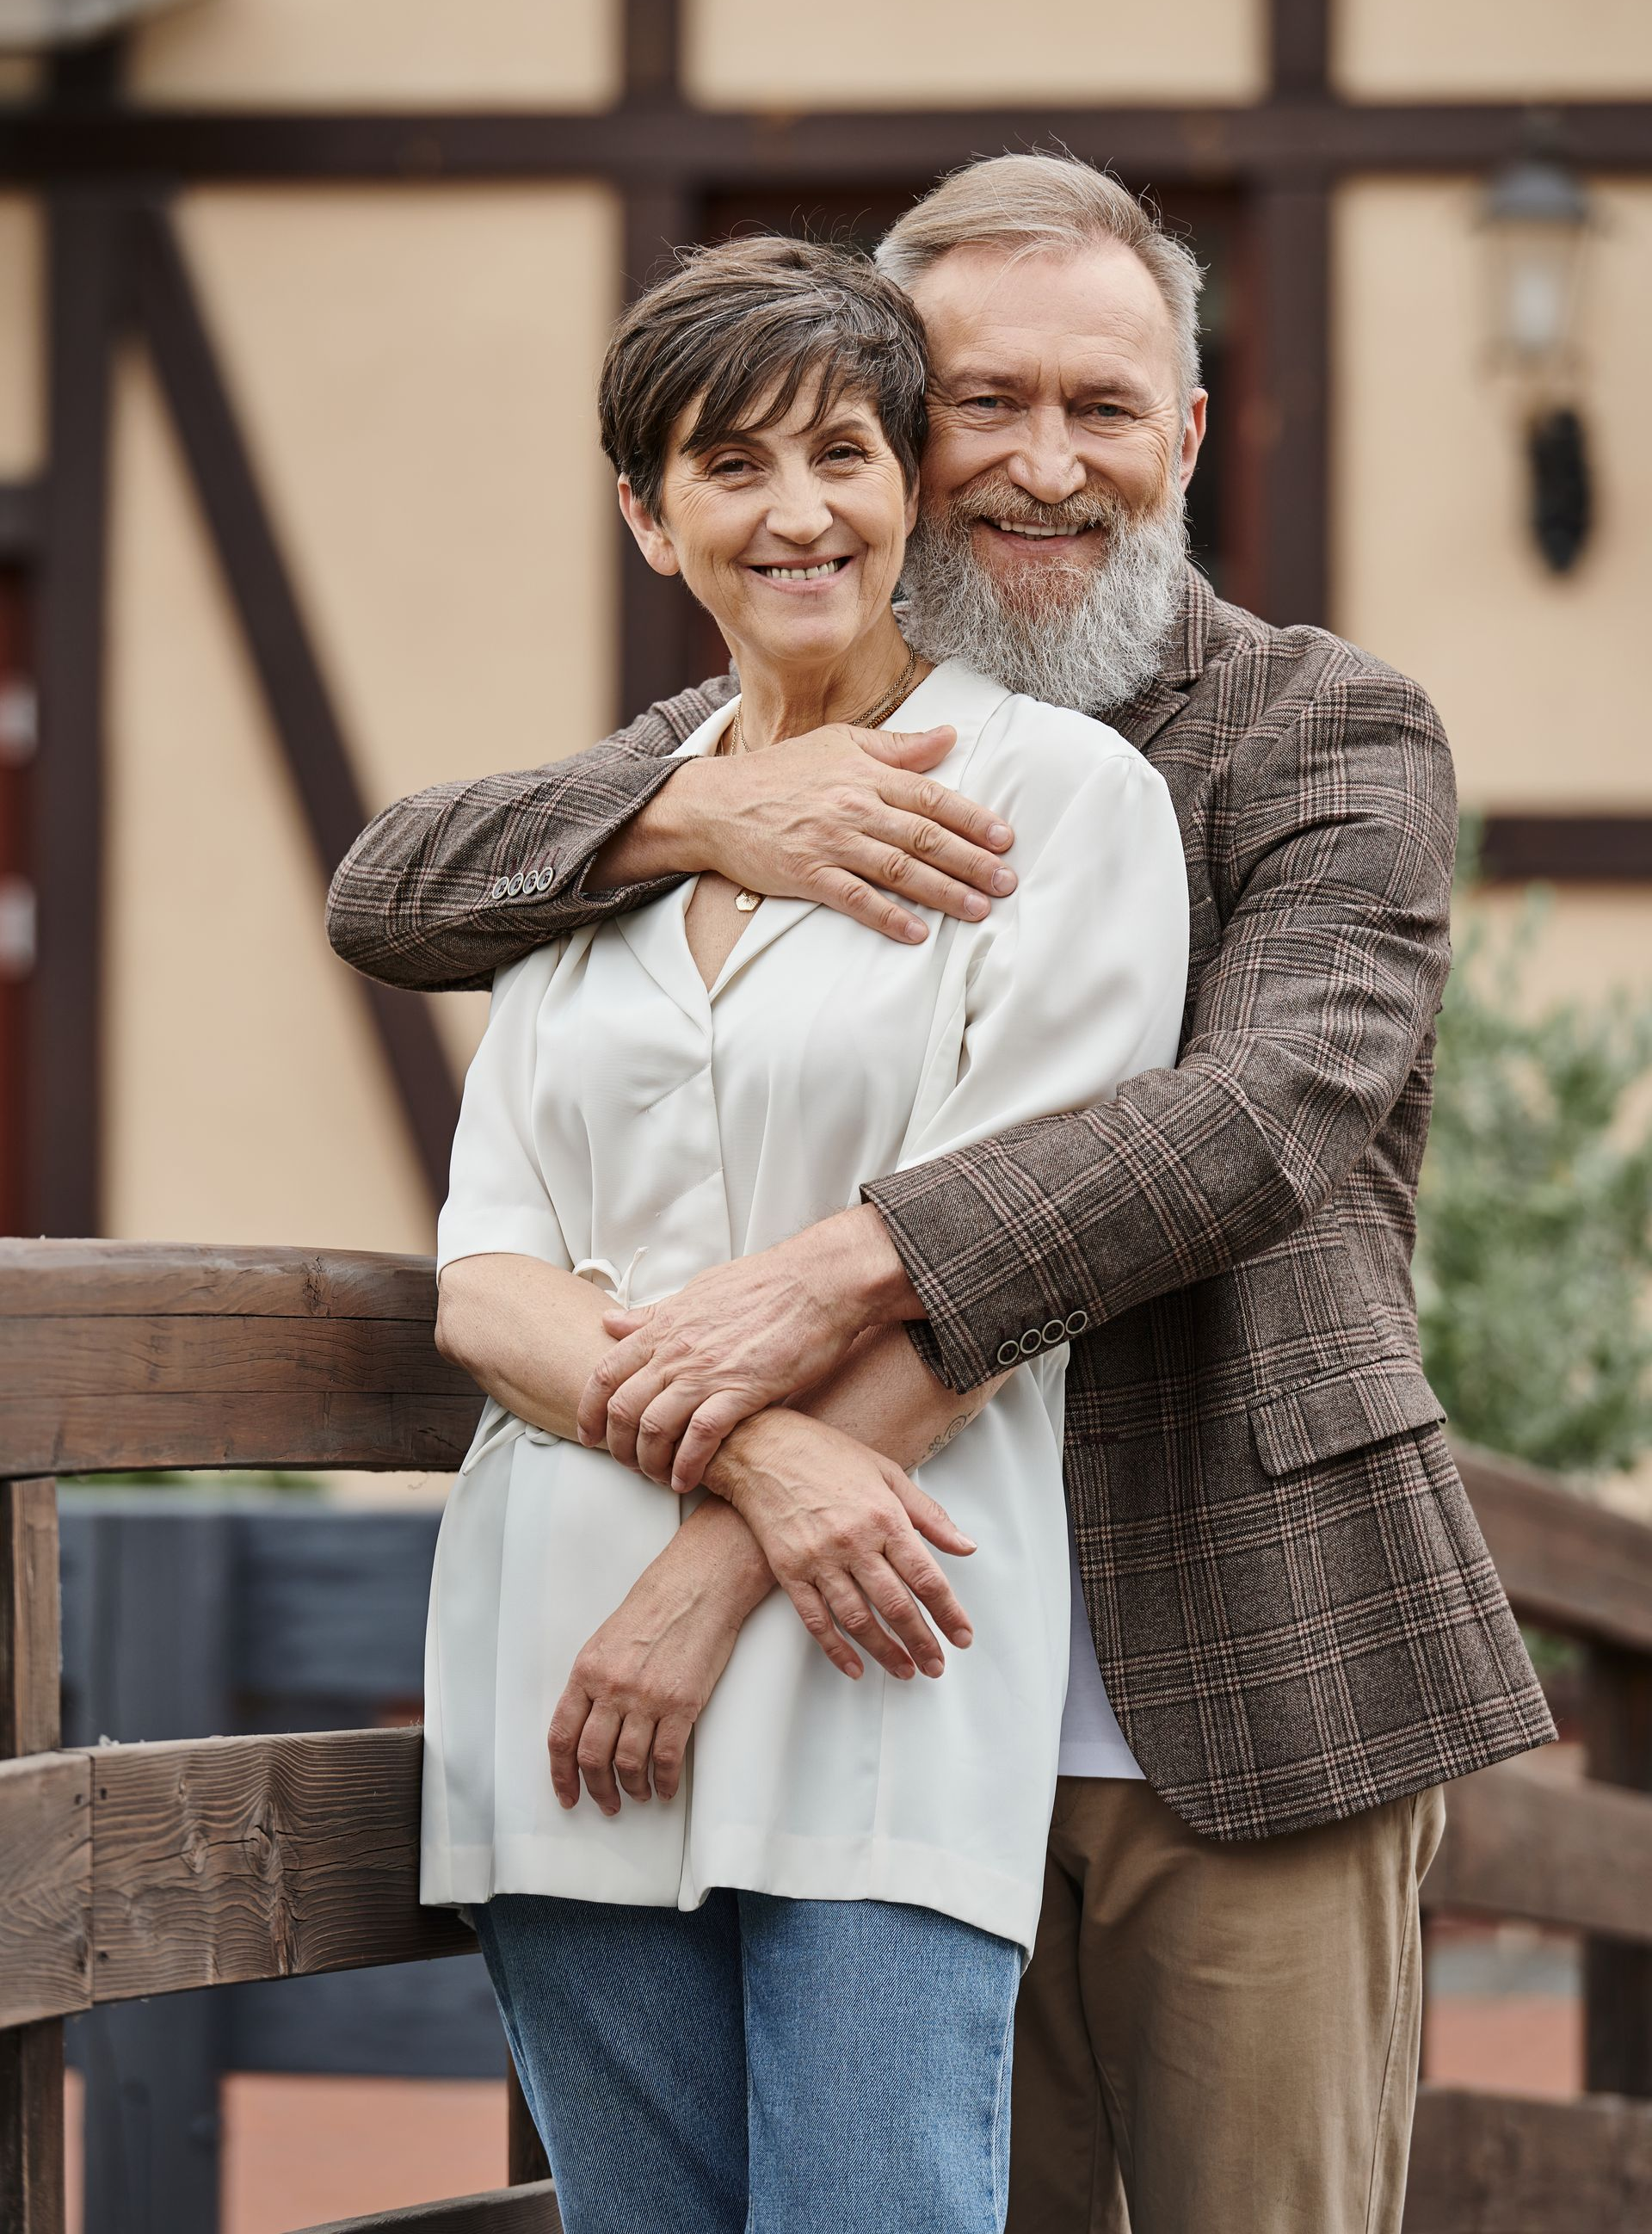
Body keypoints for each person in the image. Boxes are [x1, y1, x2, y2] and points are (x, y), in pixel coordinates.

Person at [330, 158, 1556, 2233]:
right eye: (988, 402)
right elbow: (396, 890)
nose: (1047, 461)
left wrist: (833, 1272)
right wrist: (693, 804)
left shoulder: (1321, 722)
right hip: (884, 1689)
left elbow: (1265, 1114)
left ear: (1186, 431)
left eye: (1107, 404)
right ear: (910, 427)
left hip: (1235, 1654)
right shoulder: (760, 744)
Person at [416, 231, 1189, 2234]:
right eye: (727, 466)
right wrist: (747, 1463)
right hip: (558, 1665)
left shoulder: (1059, 799)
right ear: (645, 515)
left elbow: (1003, 1247)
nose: (796, 511)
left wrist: (709, 1578)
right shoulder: (612, 835)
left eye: (842, 451)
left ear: (905, 478)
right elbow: (487, 1279)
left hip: (877, 1639)